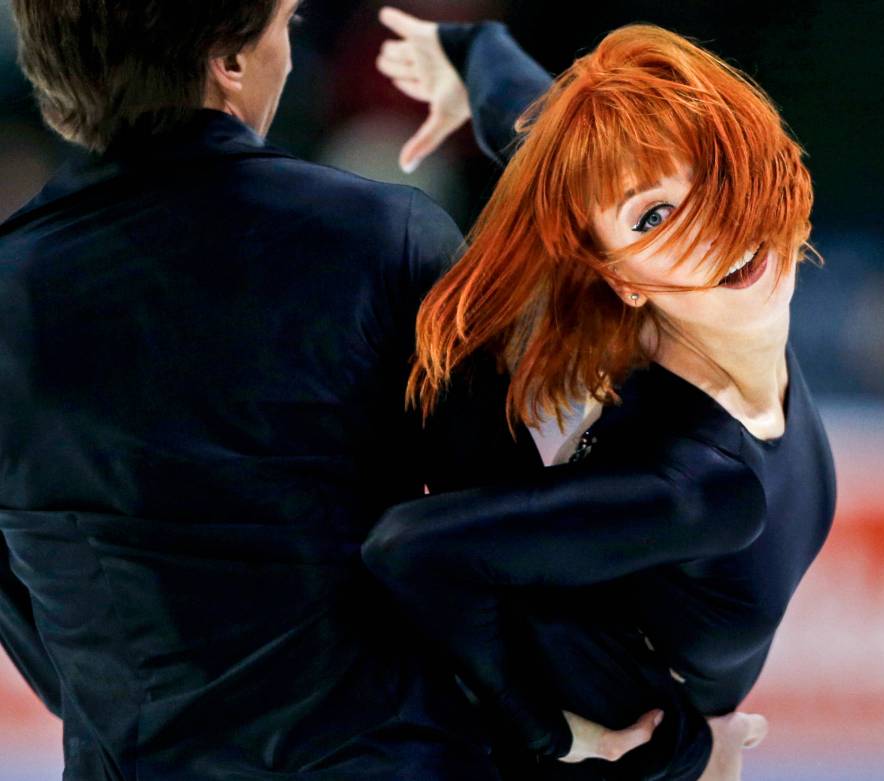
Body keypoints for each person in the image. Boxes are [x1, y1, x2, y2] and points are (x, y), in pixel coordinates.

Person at [0, 1, 577, 777]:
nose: (292, 54)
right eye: (287, 26)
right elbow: (511, 549)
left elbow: (36, 630)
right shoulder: (384, 239)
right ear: (229, 61)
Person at [364, 8, 836, 781]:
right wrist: (544, 730)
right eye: (653, 217)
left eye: (710, 171)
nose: (712, 228)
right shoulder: (702, 484)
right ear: (622, 278)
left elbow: (532, 124)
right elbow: (408, 548)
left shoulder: (729, 309)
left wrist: (467, 46)